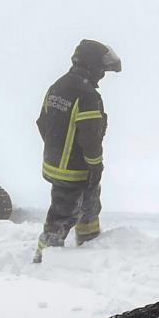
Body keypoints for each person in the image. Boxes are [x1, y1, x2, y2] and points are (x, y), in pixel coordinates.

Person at [34, 39, 121, 262]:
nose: (103, 74)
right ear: (92, 65)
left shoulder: (58, 85)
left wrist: (57, 148)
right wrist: (95, 165)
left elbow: (42, 122)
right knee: (62, 216)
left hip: (55, 164)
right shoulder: (88, 96)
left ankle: (89, 249)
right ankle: (42, 261)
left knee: (88, 209)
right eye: (102, 69)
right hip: (75, 171)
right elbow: (91, 138)